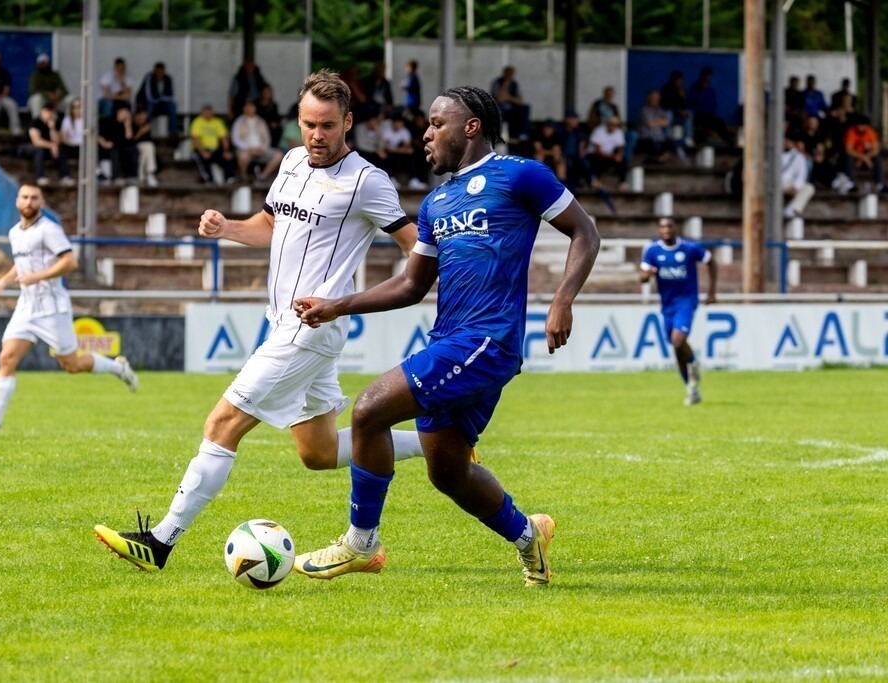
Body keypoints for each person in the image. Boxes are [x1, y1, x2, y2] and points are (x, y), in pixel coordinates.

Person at [93, 69, 428, 573]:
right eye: (308, 124)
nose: (316, 135)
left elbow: (418, 251)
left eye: (328, 126)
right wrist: (227, 227)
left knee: (222, 423)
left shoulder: (367, 181)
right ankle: (440, 442)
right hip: (284, 325)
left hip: (309, 330)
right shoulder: (292, 161)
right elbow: (270, 225)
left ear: (348, 123)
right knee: (316, 452)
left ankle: (159, 542)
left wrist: (347, 300)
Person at [290, 85, 600, 586]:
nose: (427, 133)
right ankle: (529, 538)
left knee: (369, 408)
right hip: (451, 342)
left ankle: (360, 543)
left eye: (437, 124)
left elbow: (585, 232)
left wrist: (562, 299)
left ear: (470, 127)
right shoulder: (436, 203)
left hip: (487, 340)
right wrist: (337, 305)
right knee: (447, 471)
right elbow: (413, 284)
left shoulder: (519, 175)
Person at [0, 183, 138, 431]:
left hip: (52, 308)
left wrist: (38, 276)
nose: (29, 202)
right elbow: (22, 263)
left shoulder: (49, 230)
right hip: (26, 306)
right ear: (17, 201)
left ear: (42, 203)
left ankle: (118, 368)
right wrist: (4, 281)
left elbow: (69, 262)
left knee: (72, 365)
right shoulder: (15, 232)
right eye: (25, 197)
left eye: (34, 198)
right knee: (6, 358)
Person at [639, 217, 717, 406]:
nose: (665, 229)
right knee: (676, 347)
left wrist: (712, 291)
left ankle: (693, 362)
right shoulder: (652, 251)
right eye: (662, 227)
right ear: (659, 230)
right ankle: (691, 389)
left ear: (676, 229)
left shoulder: (689, 249)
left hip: (687, 301)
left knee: (678, 339)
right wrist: (647, 276)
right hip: (667, 305)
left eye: (669, 226)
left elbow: (711, 261)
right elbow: (642, 278)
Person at [231, 100, 283, 183]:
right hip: (246, 149)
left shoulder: (261, 121)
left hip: (261, 149)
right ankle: (243, 177)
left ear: (255, 108)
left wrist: (262, 148)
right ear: (243, 108)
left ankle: (262, 177)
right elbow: (235, 139)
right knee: (243, 156)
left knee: (278, 155)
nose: (249, 109)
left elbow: (267, 138)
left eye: (251, 106)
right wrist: (249, 149)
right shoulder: (239, 121)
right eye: (247, 107)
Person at [22, 103, 73, 187]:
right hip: (28, 147)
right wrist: (52, 146)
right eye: (48, 112)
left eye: (52, 112)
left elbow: (56, 141)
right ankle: (40, 177)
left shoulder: (53, 124)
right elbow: (36, 141)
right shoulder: (35, 123)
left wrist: (52, 129)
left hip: (46, 148)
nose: (50, 114)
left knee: (60, 150)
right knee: (38, 150)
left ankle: (65, 176)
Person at [189, 103, 236, 184]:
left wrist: (226, 150)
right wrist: (203, 151)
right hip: (201, 149)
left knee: (228, 156)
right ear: (202, 112)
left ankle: (230, 178)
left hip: (215, 149)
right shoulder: (197, 122)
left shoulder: (217, 122)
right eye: (206, 111)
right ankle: (209, 179)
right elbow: (195, 139)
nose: (208, 113)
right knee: (203, 159)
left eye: (209, 111)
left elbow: (223, 138)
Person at [688, 66, 735, 147]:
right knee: (713, 122)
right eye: (705, 76)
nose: (707, 78)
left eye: (708, 76)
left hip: (709, 115)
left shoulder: (710, 90)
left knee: (719, 121)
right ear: (702, 76)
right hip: (698, 115)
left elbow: (713, 104)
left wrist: (713, 114)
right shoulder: (695, 89)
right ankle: (728, 136)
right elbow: (691, 103)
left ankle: (728, 138)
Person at [842, 115, 886, 193]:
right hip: (855, 157)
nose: (859, 127)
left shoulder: (870, 132)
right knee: (848, 158)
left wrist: (864, 158)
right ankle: (851, 183)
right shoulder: (851, 131)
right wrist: (862, 158)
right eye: (858, 124)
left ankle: (880, 184)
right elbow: (848, 150)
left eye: (862, 125)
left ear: (866, 126)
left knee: (877, 159)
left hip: (866, 159)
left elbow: (876, 150)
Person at [135, 62, 178, 138]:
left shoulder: (168, 79)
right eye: (158, 72)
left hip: (161, 103)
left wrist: (160, 98)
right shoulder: (149, 78)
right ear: (154, 71)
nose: (160, 74)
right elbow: (149, 96)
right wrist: (160, 97)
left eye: (162, 72)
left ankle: (172, 133)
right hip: (149, 102)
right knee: (150, 107)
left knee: (173, 106)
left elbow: (170, 96)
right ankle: (146, 132)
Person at [97, 104, 137, 184]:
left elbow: (129, 139)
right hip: (106, 147)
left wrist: (127, 126)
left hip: (121, 147)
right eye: (125, 111)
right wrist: (104, 143)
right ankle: (116, 177)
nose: (127, 114)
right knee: (114, 151)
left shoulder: (128, 124)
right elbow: (98, 135)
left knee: (134, 150)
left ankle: (132, 176)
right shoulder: (106, 121)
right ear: (119, 111)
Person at [490, 66, 531, 140]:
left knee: (525, 108)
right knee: (501, 108)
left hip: (511, 107)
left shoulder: (514, 84)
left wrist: (509, 97)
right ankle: (498, 134)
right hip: (500, 107)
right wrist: (505, 86)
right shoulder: (497, 82)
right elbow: (498, 98)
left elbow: (520, 100)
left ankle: (522, 133)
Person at [588, 115, 628, 189]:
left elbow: (620, 147)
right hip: (597, 155)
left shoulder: (618, 132)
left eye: (615, 125)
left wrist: (619, 155)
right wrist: (612, 156)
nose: (612, 126)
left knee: (623, 160)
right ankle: (596, 180)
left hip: (610, 156)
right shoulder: (599, 130)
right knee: (596, 159)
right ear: (608, 124)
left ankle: (622, 182)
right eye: (611, 124)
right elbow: (597, 150)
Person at [782, 134, 815, 219]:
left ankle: (792, 209)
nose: (786, 143)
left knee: (809, 188)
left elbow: (801, 175)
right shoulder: (772, 154)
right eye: (785, 141)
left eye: (789, 141)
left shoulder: (798, 157)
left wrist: (795, 186)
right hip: (776, 182)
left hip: (790, 184)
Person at [27, 53, 70, 118]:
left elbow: (64, 90)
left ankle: (72, 123)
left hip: (54, 101)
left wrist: (58, 97)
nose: (43, 65)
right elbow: (33, 91)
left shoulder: (55, 75)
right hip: (41, 99)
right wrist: (47, 94)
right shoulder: (35, 75)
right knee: (37, 99)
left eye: (45, 63)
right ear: (38, 64)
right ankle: (37, 123)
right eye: (41, 63)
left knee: (71, 99)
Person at [660, 70, 694, 146]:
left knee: (690, 113)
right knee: (668, 113)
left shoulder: (682, 90)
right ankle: (667, 138)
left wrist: (683, 98)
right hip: (670, 115)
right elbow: (666, 105)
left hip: (678, 117)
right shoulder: (666, 89)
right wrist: (678, 111)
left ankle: (687, 138)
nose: (679, 82)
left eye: (680, 80)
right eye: (678, 80)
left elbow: (685, 106)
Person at [132, 109, 159, 187]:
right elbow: (132, 139)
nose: (142, 117)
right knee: (148, 148)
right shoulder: (131, 124)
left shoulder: (147, 124)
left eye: (144, 115)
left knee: (148, 149)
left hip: (146, 147)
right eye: (140, 115)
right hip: (134, 145)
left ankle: (142, 176)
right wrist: (141, 132)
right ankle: (150, 173)